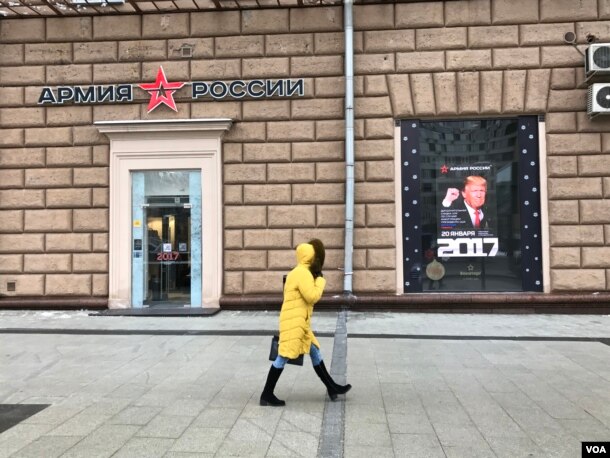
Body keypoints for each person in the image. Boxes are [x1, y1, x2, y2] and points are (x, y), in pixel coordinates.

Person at [260, 239, 351, 406]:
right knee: (283, 357)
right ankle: (266, 394)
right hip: (294, 322)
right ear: (311, 257)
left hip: (298, 321)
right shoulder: (303, 273)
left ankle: (332, 387)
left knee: (315, 351)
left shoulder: (297, 271)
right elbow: (312, 296)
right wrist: (321, 282)